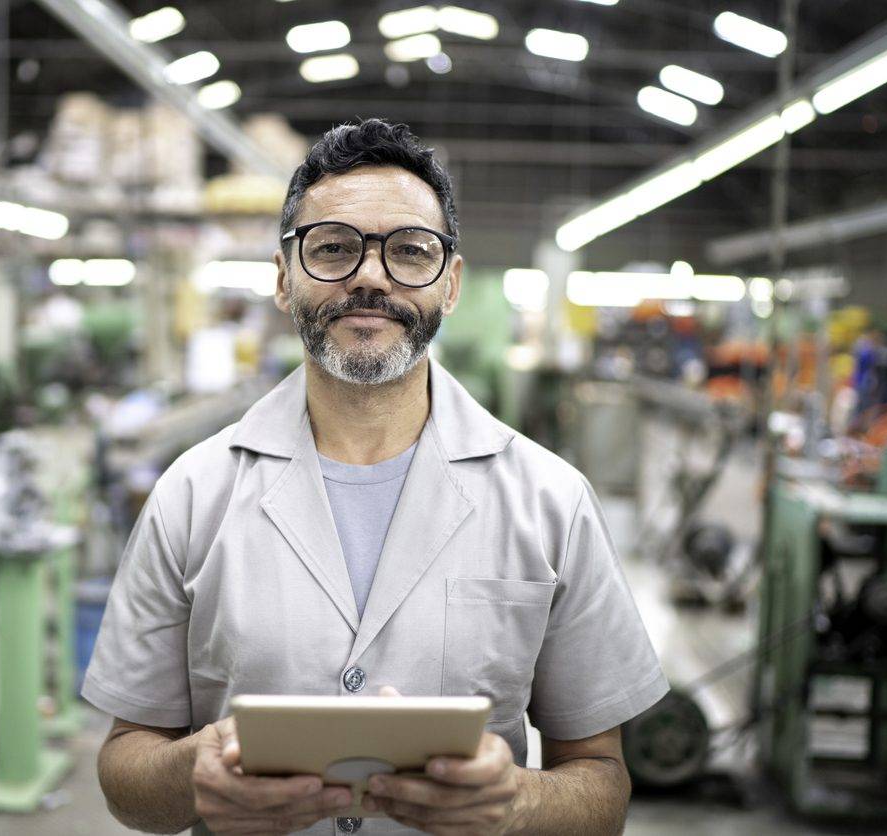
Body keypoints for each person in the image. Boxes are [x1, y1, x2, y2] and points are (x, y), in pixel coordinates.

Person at [82, 118, 668, 835]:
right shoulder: (191, 495)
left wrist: (515, 803)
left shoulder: (548, 501)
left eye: (409, 251)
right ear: (282, 278)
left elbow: (601, 787)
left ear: (449, 285)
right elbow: (123, 774)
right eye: (331, 248)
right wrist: (189, 775)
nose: (368, 275)